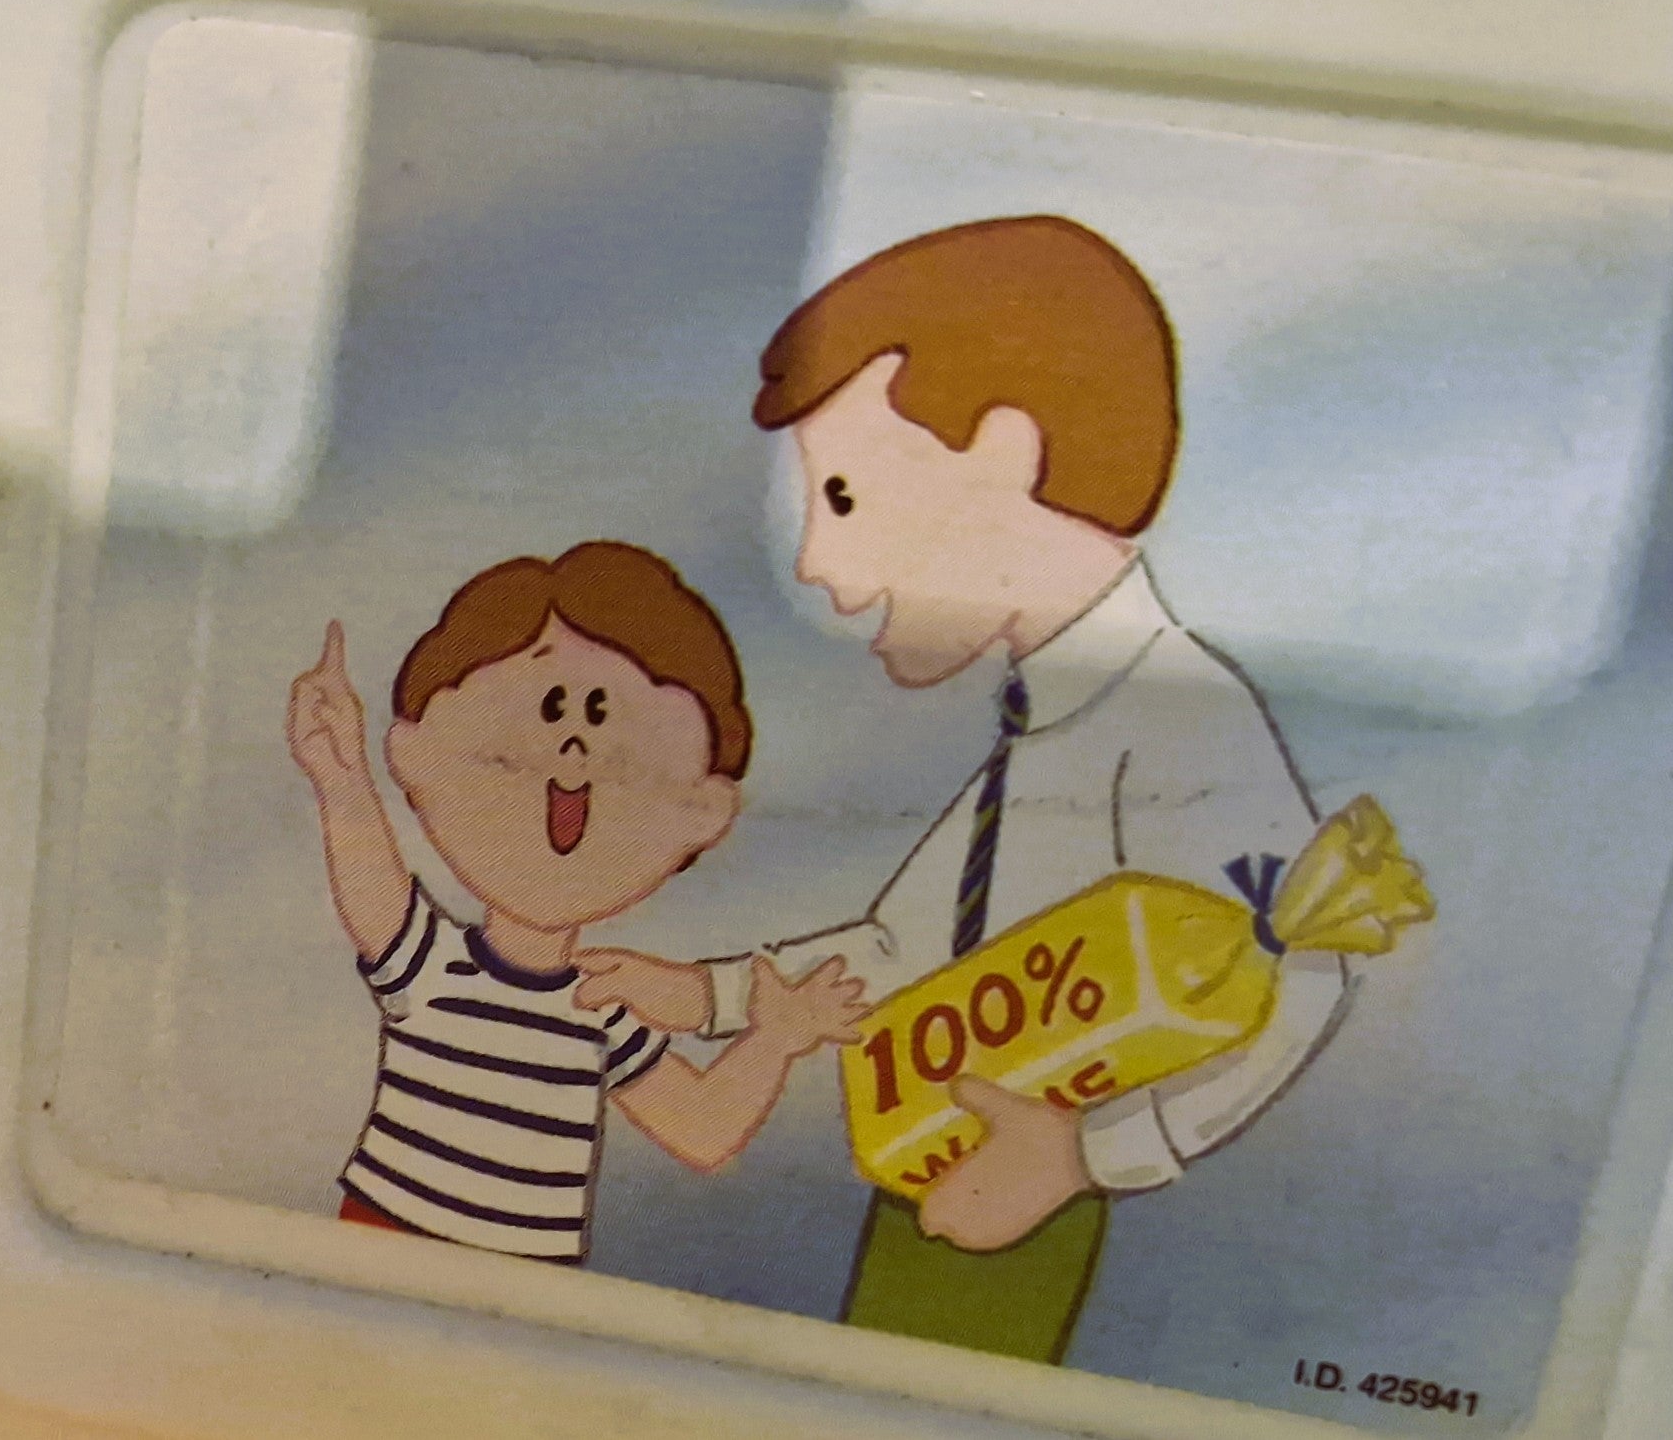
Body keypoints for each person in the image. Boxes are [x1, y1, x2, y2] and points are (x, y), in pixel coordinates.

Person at [571, 218, 1351, 1358]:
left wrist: (1083, 1157)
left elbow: (1312, 964)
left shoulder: (1175, 717)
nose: (814, 564)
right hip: (934, 1181)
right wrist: (703, 993)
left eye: (843, 498)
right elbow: (903, 951)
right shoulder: (1045, 727)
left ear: (1002, 454)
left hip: (1035, 1210)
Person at [287, 540, 865, 1264]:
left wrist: (772, 1042)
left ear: (702, 810)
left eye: (605, 720)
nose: (571, 750)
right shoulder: (430, 962)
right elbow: (373, 887)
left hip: (525, 1286)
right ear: (419, 755)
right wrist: (340, 778)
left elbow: (701, 1128)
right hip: (381, 1244)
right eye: (548, 711)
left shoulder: (603, 1008)